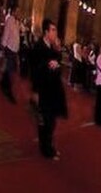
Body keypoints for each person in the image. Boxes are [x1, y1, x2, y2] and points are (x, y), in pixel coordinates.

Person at [30, 19, 67, 160]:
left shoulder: (51, 48)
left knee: (51, 121)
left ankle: (48, 146)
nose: (55, 33)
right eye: (52, 30)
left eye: (56, 30)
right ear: (46, 32)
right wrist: (35, 91)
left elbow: (56, 64)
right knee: (46, 121)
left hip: (53, 90)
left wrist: (57, 51)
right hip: (43, 89)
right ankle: (45, 149)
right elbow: (34, 70)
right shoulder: (39, 47)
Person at [0, 6, 20, 103]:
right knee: (10, 70)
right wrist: (3, 47)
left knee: (10, 69)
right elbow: (6, 34)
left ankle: (3, 85)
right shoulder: (10, 20)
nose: (19, 13)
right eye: (17, 11)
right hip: (9, 49)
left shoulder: (16, 22)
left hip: (14, 50)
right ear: (13, 11)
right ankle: (7, 89)